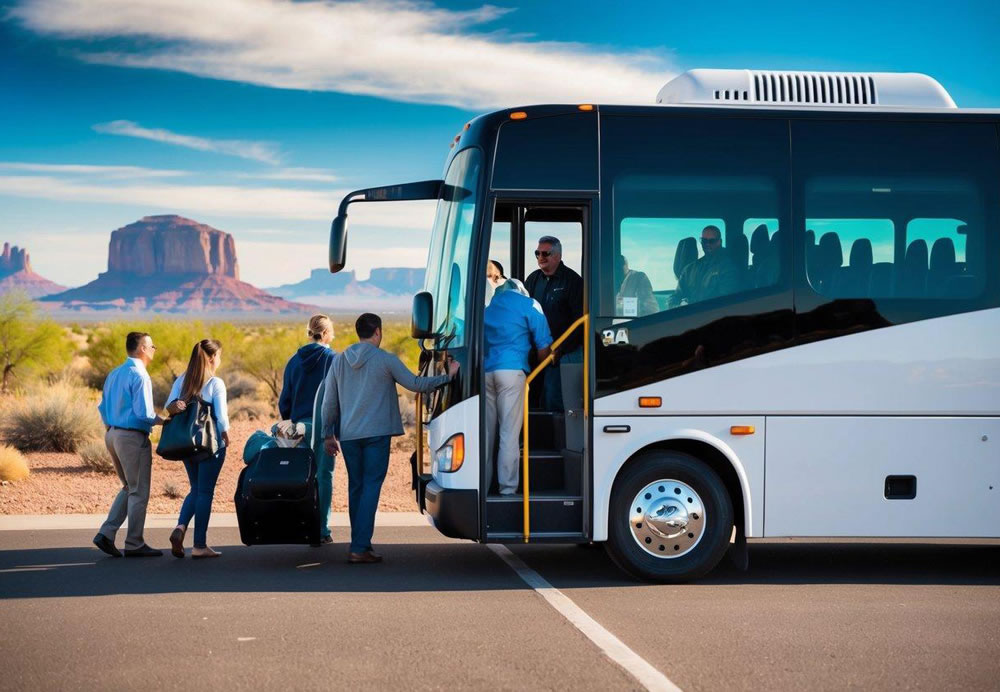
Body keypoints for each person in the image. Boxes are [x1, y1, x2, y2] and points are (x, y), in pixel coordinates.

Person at [322, 313, 458, 564]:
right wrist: (447, 378)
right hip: (376, 435)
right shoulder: (386, 360)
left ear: (359, 332)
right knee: (371, 487)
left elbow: (329, 401)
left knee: (357, 488)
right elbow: (416, 384)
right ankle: (360, 547)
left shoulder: (339, 361)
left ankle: (360, 542)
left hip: (349, 436)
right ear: (378, 333)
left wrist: (327, 434)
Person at [93, 331, 165, 558]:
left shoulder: (115, 373)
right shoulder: (140, 375)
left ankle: (106, 533)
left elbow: (102, 408)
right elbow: (144, 413)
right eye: (152, 346)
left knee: (129, 487)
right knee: (139, 492)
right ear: (142, 348)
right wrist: (164, 420)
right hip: (132, 438)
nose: (154, 350)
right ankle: (134, 543)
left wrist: (112, 428)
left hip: (112, 435)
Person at [484, 279, 553, 494]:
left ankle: (483, 486)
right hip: (512, 372)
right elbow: (544, 346)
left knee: (487, 435)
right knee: (509, 435)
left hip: (486, 373)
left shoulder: (488, 309)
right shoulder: (528, 304)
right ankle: (507, 488)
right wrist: (537, 370)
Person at [165, 339, 230, 559]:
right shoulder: (215, 383)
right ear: (212, 357)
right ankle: (200, 545)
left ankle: (181, 527)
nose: (219, 359)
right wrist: (225, 435)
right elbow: (221, 416)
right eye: (218, 355)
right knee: (205, 492)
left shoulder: (182, 380)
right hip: (209, 444)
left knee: (195, 488)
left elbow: (169, 406)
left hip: (186, 444)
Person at [279, 314, 337, 545]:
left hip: (298, 426)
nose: (333, 335)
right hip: (323, 426)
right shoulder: (333, 359)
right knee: (324, 476)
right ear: (325, 334)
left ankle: (301, 526)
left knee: (303, 476)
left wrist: (290, 422)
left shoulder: (294, 360)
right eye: (331, 331)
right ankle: (321, 529)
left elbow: (285, 399)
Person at [524, 236, 584, 412]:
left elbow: (579, 321)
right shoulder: (533, 279)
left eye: (546, 253)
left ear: (558, 256)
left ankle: (554, 437)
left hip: (561, 353)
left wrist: (561, 349)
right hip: (536, 351)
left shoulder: (573, 281)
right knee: (531, 396)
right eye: (537, 253)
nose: (540, 257)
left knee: (552, 397)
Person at [670, 225, 741, 307]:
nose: (707, 244)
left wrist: (691, 308)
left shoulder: (728, 268)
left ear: (719, 242)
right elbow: (674, 298)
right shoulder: (689, 269)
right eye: (704, 240)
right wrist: (679, 307)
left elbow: (724, 303)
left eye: (712, 241)